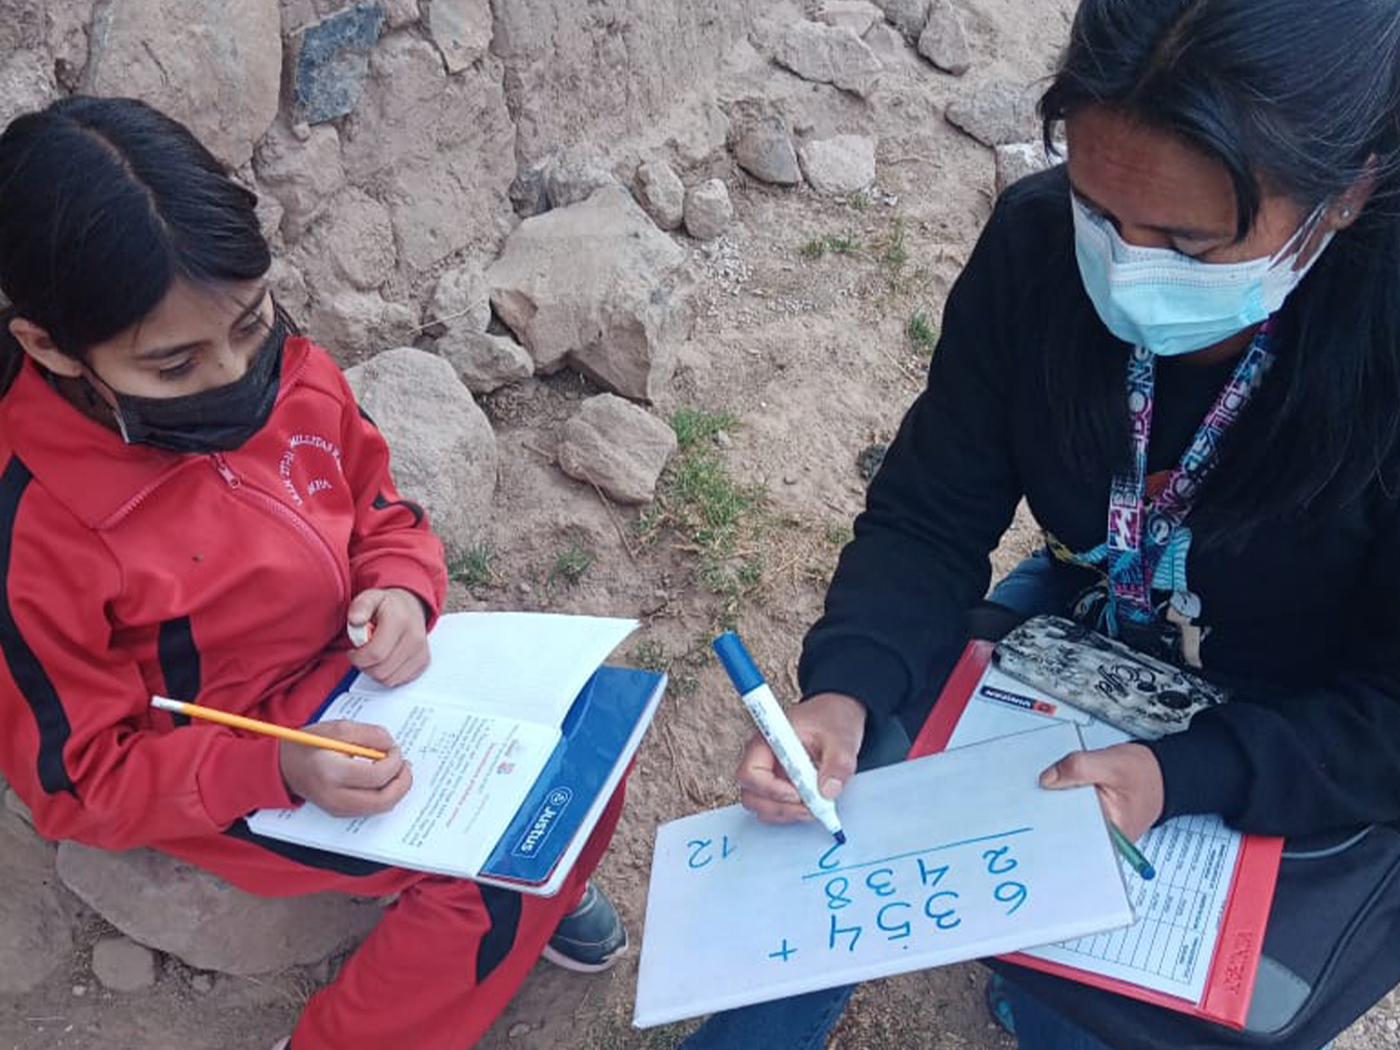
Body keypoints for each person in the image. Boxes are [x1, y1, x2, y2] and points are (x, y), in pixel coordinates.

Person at [681, 1, 1400, 1048]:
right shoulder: (1032, 248)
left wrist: (1179, 774)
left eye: (1190, 244)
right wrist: (842, 687)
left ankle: (1045, 1005)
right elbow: (930, 512)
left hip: (1299, 724)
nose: (1125, 265)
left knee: (1113, 1006)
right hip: (1087, 625)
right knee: (820, 823)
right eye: (1097, 209)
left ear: (1343, 197)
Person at [0, 96, 629, 1050]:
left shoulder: (288, 365)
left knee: (592, 751)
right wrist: (274, 763)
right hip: (235, 756)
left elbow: (379, 508)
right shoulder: (39, 526)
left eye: (248, 325)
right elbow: (71, 778)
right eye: (173, 367)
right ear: (47, 346)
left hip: (366, 686)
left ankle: (548, 888)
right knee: (487, 883)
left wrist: (404, 588)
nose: (231, 378)